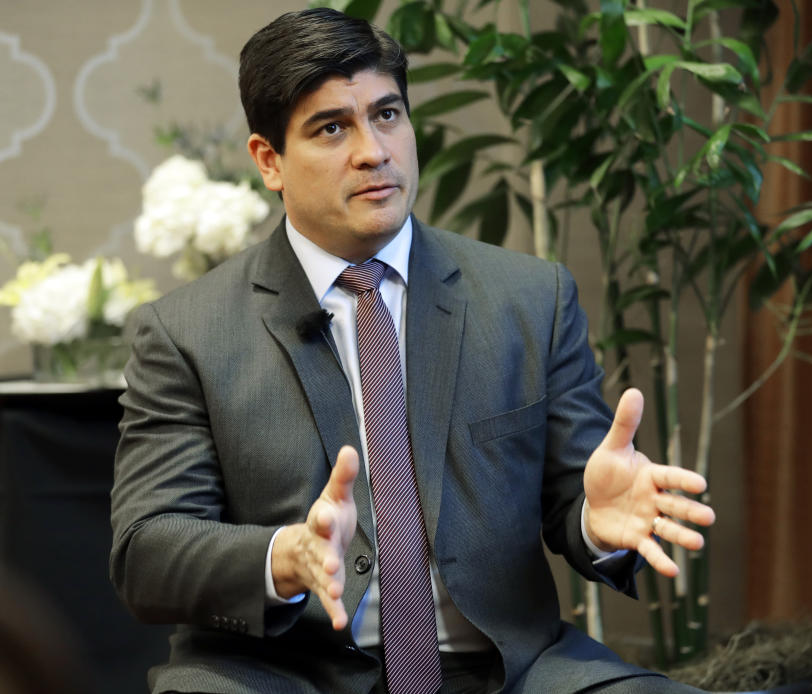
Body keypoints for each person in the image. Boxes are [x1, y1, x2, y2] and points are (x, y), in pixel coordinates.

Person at [110, 8, 716, 694]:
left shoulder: (528, 299)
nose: (373, 150)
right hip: (281, 675)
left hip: (507, 673)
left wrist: (595, 523)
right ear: (268, 160)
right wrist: (286, 556)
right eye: (332, 127)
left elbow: (578, 499)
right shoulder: (186, 332)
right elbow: (146, 551)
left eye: (388, 114)